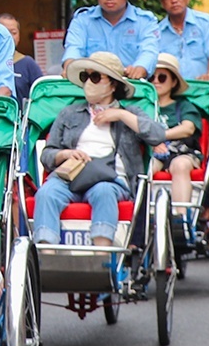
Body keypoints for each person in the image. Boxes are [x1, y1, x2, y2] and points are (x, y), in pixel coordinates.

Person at [31, 52, 170, 249]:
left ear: (113, 84)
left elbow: (158, 135)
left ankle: (103, 255)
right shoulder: (69, 113)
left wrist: (120, 115)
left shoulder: (130, 113)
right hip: (70, 177)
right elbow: (47, 154)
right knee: (46, 193)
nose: (89, 82)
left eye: (95, 77)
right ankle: (47, 255)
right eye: (85, 77)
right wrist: (65, 154)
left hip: (110, 179)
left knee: (104, 192)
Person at [63, 0, 160, 80]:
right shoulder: (82, 20)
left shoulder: (146, 22)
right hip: (90, 90)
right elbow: (74, 48)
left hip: (133, 90)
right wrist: (70, 67)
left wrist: (140, 68)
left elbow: (149, 51)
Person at [149, 53, 209, 244]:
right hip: (154, 152)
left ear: (173, 81)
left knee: (180, 165)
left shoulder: (183, 105)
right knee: (145, 168)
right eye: (152, 77)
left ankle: (180, 218)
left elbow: (188, 128)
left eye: (162, 77)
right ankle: (146, 216)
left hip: (183, 151)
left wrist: (160, 135)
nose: (156, 81)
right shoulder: (145, 106)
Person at [153, 0, 209, 80]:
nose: (174, 0)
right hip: (172, 92)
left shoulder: (206, 22)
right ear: (162, 3)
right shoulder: (157, 32)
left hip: (204, 88)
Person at [0, 12, 45, 100]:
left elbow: (43, 94)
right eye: (5, 32)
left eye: (14, 33)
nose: (10, 37)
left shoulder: (27, 63)